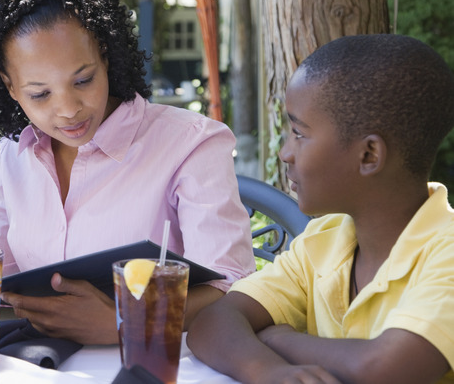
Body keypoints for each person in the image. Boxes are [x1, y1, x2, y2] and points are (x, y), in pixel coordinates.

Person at [0, 0, 256, 345]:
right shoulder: (15, 152)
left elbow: (234, 289)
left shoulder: (191, 145)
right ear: (9, 87)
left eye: (83, 80)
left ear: (105, 55)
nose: (69, 110)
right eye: (40, 94)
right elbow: (3, 277)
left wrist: (127, 322)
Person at [186, 34, 454, 384]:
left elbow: (382, 367)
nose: (285, 153)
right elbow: (212, 323)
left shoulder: (445, 253)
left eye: (299, 133)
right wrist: (270, 371)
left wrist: (277, 338)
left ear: (369, 155)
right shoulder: (324, 240)